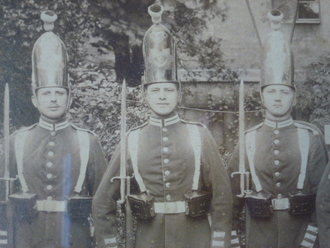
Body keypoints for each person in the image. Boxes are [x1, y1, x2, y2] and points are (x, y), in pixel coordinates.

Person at [92, 3, 232, 248]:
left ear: (179, 94)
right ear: (146, 95)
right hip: (150, 239)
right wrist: (110, 242)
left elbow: (222, 194)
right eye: (155, 90)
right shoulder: (133, 140)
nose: (162, 96)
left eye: (169, 90)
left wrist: (218, 241)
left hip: (195, 238)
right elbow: (103, 200)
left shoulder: (198, 135)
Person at [0, 11, 107, 248]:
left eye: (59, 93)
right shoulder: (17, 141)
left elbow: (103, 201)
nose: (53, 99)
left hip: (73, 238)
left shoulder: (87, 142)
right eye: (46, 93)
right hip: (28, 238)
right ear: (34, 100)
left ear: (69, 99)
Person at [228, 9, 328, 248]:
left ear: (293, 98)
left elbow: (323, 197)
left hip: (302, 235)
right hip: (259, 236)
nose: (277, 98)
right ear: (261, 98)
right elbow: (231, 198)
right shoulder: (248, 140)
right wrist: (232, 239)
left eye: (284, 92)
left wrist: (310, 238)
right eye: (271, 92)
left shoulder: (310, 137)